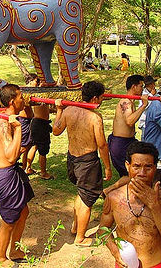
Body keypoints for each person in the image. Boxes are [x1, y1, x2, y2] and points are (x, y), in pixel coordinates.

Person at [99, 142, 161, 268]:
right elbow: (102, 230)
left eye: (148, 167)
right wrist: (115, 251)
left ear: (155, 167)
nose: (142, 173)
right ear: (128, 166)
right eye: (136, 166)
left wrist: (154, 205)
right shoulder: (113, 198)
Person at [52, 80, 112, 246]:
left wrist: (59, 111)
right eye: (100, 98)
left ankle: (75, 227)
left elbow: (55, 130)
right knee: (87, 199)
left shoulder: (69, 110)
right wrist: (107, 167)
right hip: (87, 162)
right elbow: (101, 145)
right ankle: (80, 238)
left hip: (72, 159)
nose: (101, 101)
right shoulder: (95, 117)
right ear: (94, 99)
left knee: (81, 193)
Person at [0, 84, 34, 266]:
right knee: (9, 220)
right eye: (20, 97)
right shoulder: (4, 124)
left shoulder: (11, 119)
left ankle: (14, 250)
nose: (23, 99)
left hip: (13, 172)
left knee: (23, 211)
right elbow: (10, 156)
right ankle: (1, 258)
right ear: (11, 101)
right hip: (4, 176)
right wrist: (18, 129)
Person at [108, 75, 149, 177]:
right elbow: (130, 121)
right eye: (141, 86)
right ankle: (108, 191)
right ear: (134, 87)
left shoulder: (131, 102)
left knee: (136, 170)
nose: (142, 89)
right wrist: (143, 105)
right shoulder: (126, 102)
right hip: (120, 143)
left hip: (129, 141)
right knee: (130, 174)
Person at [25, 76, 54, 180]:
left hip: (38, 123)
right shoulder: (38, 93)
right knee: (43, 150)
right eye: (39, 81)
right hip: (40, 124)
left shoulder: (41, 94)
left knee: (35, 146)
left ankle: (28, 168)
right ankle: (43, 173)